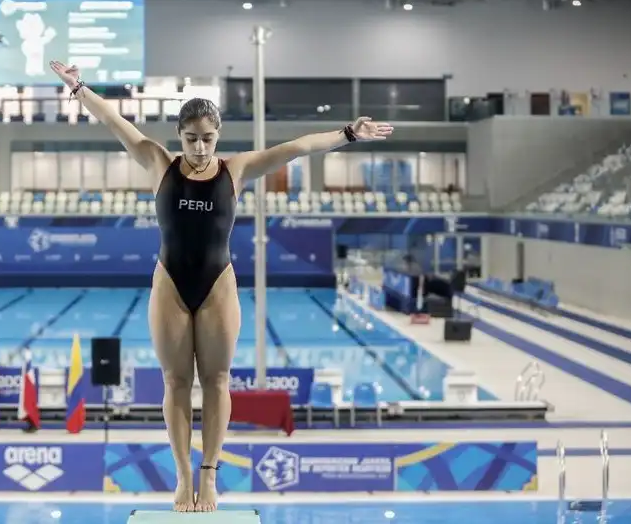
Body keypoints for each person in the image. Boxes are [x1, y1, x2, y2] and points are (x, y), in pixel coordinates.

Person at [49, 61, 393, 512]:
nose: (199, 147)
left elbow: (297, 147)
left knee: (216, 380)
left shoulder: (236, 169)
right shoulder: (158, 162)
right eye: (190, 138)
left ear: (218, 135)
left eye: (207, 138)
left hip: (217, 284)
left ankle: (209, 474)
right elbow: (116, 122)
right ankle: (183, 474)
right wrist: (79, 89)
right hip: (170, 282)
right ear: (179, 135)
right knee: (175, 381)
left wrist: (348, 133)